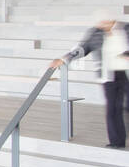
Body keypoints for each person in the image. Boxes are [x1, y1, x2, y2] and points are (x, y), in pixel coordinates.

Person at [50, 14, 129, 148]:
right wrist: (64, 59)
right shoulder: (96, 33)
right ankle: (117, 142)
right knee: (113, 109)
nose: (102, 24)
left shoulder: (125, 28)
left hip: (125, 73)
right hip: (108, 75)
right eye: (100, 22)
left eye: (106, 21)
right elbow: (82, 49)